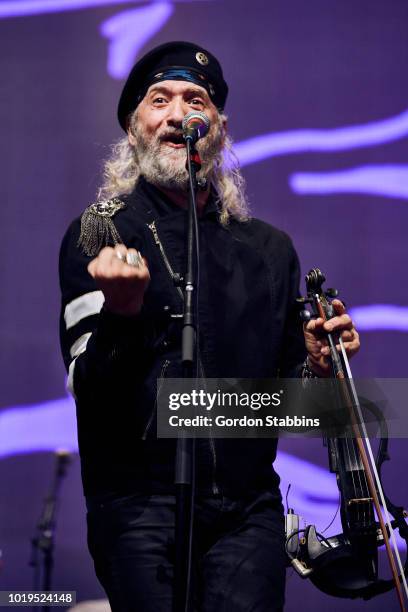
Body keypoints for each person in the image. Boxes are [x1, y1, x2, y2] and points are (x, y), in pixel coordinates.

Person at [59, 41, 360, 612]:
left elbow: (294, 405)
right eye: (159, 99)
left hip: (247, 513)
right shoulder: (98, 234)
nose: (179, 115)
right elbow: (89, 391)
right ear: (133, 127)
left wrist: (319, 368)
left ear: (218, 129)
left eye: (196, 101)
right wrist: (122, 317)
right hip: (138, 508)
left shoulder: (269, 250)